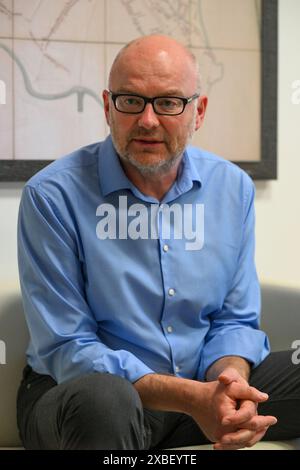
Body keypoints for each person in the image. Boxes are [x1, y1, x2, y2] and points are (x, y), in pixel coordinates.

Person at [17, 34, 300, 451]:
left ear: (198, 111)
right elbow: (69, 347)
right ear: (108, 107)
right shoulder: (52, 195)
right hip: (81, 397)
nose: (147, 120)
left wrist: (229, 384)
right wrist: (191, 398)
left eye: (168, 103)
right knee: (107, 398)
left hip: (198, 389)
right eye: (130, 101)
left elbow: (233, 321)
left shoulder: (231, 188)